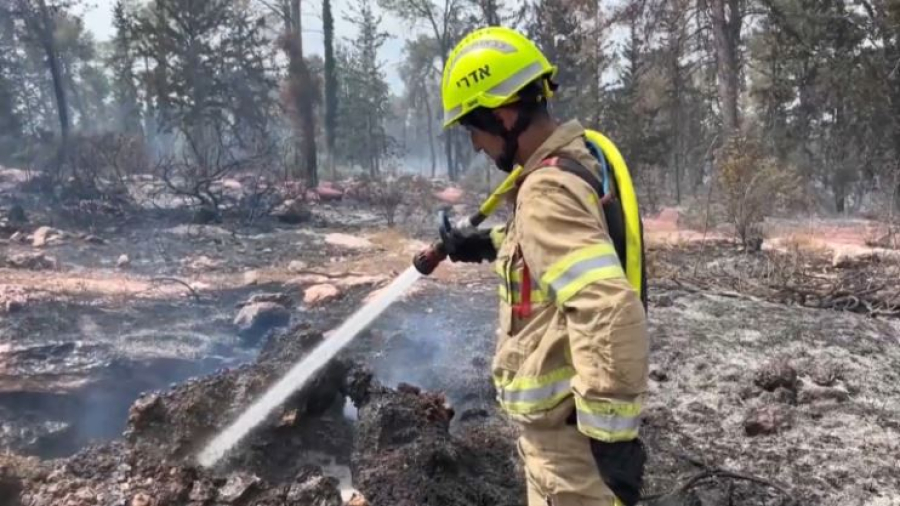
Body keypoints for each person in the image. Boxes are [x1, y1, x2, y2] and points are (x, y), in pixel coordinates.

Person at [437, 26, 650, 506]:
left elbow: (605, 306)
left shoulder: (546, 191)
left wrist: (609, 438)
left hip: (570, 449)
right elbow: (551, 259)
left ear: (504, 114)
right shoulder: (573, 162)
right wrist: (485, 244)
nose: (474, 145)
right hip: (562, 438)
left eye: (473, 128)